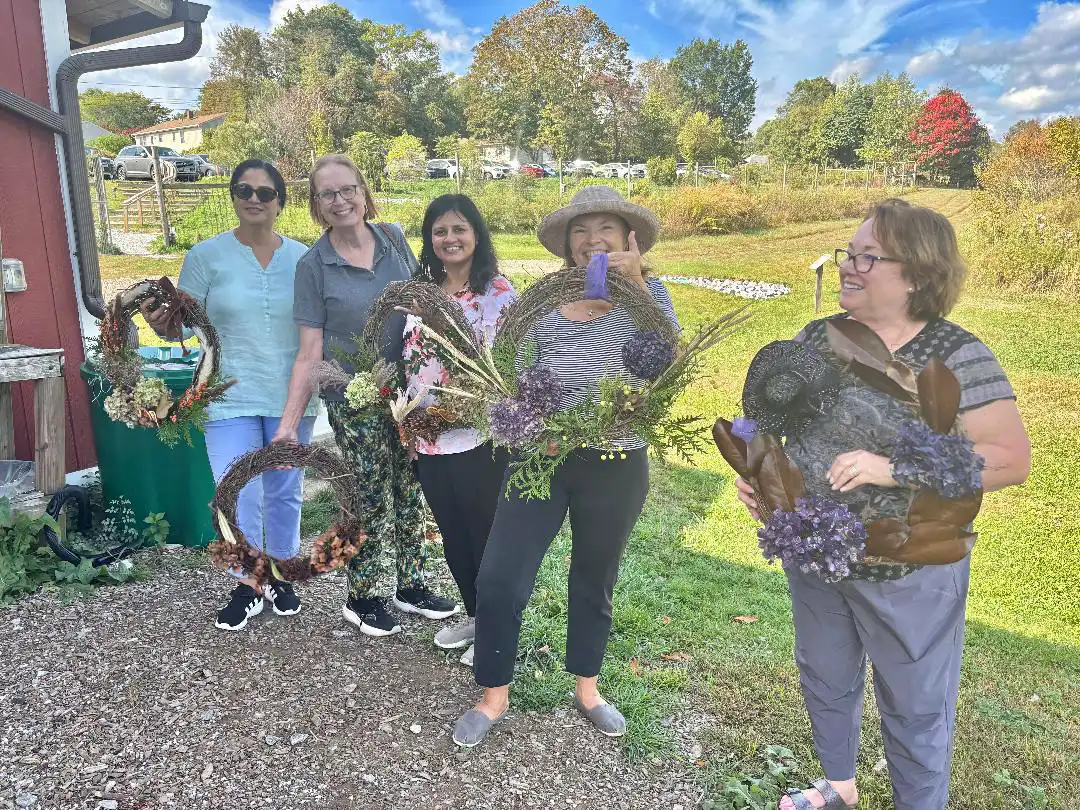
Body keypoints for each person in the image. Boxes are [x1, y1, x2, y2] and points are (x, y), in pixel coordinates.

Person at [733, 199, 1031, 810]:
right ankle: (839, 786)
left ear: (918, 274)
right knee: (825, 678)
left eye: (870, 257)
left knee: (916, 703)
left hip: (910, 568)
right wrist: (764, 479)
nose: (850, 266)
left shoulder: (956, 354)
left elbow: (1009, 457)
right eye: (850, 252)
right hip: (818, 559)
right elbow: (775, 422)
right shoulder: (819, 338)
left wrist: (893, 468)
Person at [452, 185, 679, 747]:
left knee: (594, 577)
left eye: (604, 227)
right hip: (541, 460)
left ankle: (588, 688)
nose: (591, 239)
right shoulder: (539, 301)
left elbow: (667, 366)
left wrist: (640, 287)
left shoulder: (649, 296)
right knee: (501, 576)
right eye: (580, 229)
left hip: (616, 460)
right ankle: (493, 695)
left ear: (629, 239)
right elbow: (508, 373)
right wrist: (536, 427)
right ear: (566, 243)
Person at [272, 154, 457, 638]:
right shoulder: (314, 266)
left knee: (410, 487)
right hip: (353, 396)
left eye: (347, 189)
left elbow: (425, 303)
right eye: (327, 193)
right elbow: (309, 351)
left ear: (364, 191)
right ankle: (363, 595)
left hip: (408, 394)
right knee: (368, 493)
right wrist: (290, 423)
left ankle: (411, 584)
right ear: (315, 204)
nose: (340, 201)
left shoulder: (393, 238)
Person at [141, 158, 318, 631]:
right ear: (233, 196)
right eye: (245, 190)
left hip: (291, 396)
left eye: (265, 192)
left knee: (284, 491)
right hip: (226, 393)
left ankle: (280, 572)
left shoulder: (303, 258)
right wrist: (163, 325)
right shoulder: (205, 256)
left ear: (281, 201)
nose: (254, 199)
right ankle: (248, 581)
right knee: (236, 492)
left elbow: (317, 326)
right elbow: (180, 321)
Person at [400, 194, 518, 667]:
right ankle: (475, 615)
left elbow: (499, 363)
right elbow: (412, 359)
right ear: (430, 241)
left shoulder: (498, 293)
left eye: (459, 229)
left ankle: (497, 630)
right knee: (452, 535)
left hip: (478, 435)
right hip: (427, 438)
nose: (450, 238)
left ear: (476, 235)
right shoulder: (423, 291)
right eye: (440, 231)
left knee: (485, 535)